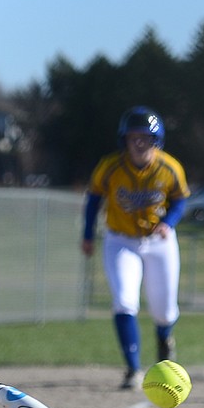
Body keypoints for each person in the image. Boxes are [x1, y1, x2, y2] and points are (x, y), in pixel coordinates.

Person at [82, 106, 189, 389]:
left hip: (159, 241)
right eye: (133, 137)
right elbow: (93, 199)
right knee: (124, 301)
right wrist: (87, 235)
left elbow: (180, 199)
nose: (139, 143)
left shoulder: (169, 167)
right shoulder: (110, 166)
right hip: (120, 240)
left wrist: (169, 221)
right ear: (124, 140)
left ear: (157, 140)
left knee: (165, 311)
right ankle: (133, 369)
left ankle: (165, 338)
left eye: (146, 137)